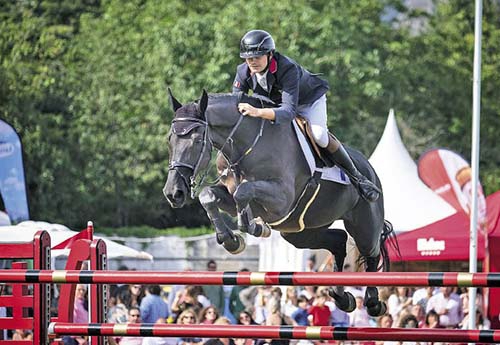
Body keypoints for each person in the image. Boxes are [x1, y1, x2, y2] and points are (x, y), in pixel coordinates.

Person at [233, 29, 380, 202]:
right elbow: (235, 102)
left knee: (319, 136)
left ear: (270, 54)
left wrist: (257, 112)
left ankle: (358, 178)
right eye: (249, 58)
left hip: (309, 102)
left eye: (257, 57)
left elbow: (289, 111)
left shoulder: (287, 69)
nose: (252, 62)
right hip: (278, 106)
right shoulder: (243, 72)